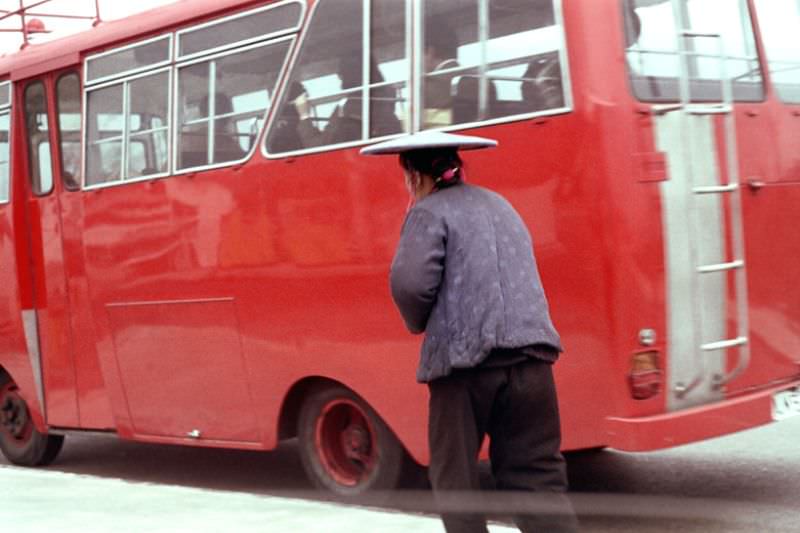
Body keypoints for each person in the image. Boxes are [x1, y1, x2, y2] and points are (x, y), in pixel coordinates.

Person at [360, 131, 579, 533]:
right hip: (532, 360)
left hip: (466, 365)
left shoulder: (428, 212)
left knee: (455, 480)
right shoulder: (501, 204)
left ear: (414, 176)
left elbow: (410, 284)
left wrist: (418, 323)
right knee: (537, 478)